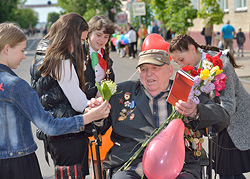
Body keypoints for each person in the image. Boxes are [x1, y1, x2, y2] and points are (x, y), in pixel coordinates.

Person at [88, 48, 230, 179]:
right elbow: (95, 128)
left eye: (155, 68)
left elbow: (222, 118)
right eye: (143, 69)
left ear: (169, 70)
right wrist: (96, 114)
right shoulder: (121, 92)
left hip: (179, 166)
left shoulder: (185, 92)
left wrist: (196, 111)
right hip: (131, 165)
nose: (149, 74)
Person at [0, 22, 110, 179]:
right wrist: (88, 117)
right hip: (18, 163)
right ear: (7, 49)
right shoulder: (15, 85)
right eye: (22, 50)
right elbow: (49, 126)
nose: (25, 56)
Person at [169, 34, 250, 179]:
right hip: (219, 121)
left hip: (234, 122)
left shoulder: (221, 65)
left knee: (227, 172)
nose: (180, 65)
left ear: (192, 49)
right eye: (176, 62)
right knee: (229, 172)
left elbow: (229, 106)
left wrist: (204, 112)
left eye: (181, 59)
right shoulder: (193, 67)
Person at [30, 12, 95, 178]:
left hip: (54, 131)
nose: (80, 44)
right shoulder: (61, 58)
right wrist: (95, 106)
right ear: (70, 34)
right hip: (69, 132)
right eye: (80, 39)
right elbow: (78, 103)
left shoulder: (43, 49)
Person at [83, 15, 115, 179]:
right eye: (98, 34)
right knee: (83, 161)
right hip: (83, 112)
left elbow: (110, 81)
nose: (102, 39)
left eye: (106, 36)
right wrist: (96, 91)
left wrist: (107, 91)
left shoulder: (105, 55)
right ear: (88, 33)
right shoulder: (78, 54)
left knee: (100, 158)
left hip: (102, 112)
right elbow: (78, 85)